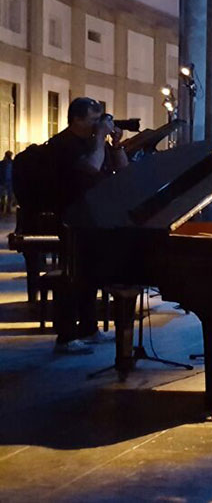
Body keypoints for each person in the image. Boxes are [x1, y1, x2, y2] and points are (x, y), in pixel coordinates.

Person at [46, 97, 129, 354]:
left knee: (89, 276)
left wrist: (114, 145)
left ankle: (89, 328)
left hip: (93, 219)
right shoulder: (64, 145)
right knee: (71, 278)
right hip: (71, 219)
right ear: (77, 119)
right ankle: (66, 336)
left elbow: (123, 170)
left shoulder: (92, 144)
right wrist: (100, 139)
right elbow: (91, 168)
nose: (97, 125)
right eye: (94, 120)